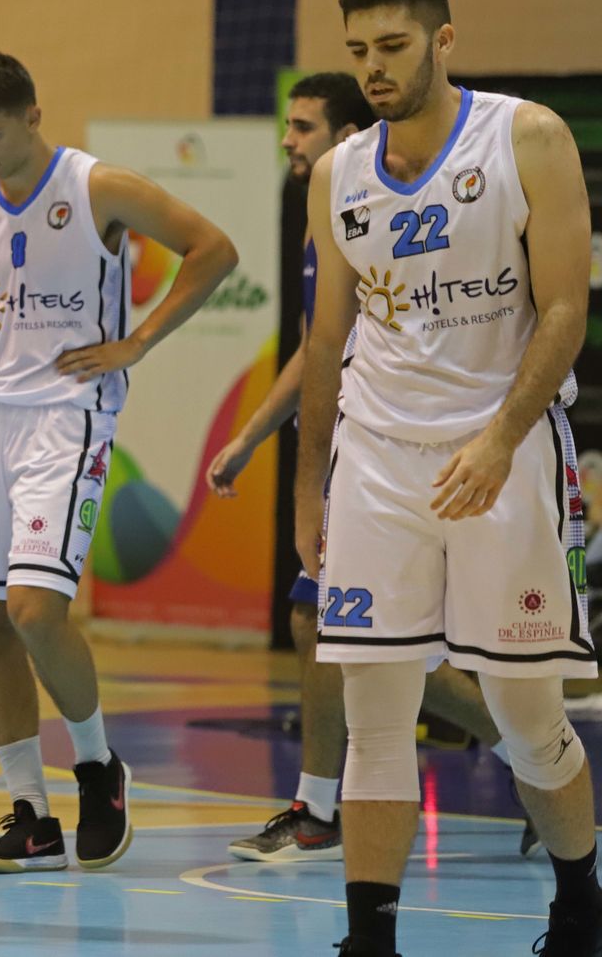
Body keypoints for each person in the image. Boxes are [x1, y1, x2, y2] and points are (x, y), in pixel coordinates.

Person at [295, 0, 597, 956]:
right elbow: (324, 340)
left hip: (499, 452)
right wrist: (310, 484)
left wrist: (500, 436)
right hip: (378, 460)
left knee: (523, 716)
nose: (373, 69)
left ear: (442, 39)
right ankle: (367, 939)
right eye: (357, 53)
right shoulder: (338, 173)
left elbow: (563, 306)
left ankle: (579, 904)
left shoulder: (526, 137)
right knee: (375, 714)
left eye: (391, 46)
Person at [0, 52, 237, 873]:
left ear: (31, 115)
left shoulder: (101, 188)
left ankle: (98, 767)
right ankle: (30, 813)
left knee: (32, 609)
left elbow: (213, 250)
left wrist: (135, 343)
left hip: (68, 419)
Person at [211, 73, 536, 864]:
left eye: (303, 127)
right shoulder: (330, 210)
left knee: (351, 632)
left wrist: (255, 438)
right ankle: (525, 761)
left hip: (414, 443)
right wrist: (258, 438)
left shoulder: (397, 205)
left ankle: (334, 805)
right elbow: (317, 350)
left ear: (350, 135)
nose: (289, 140)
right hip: (360, 448)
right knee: (350, 633)